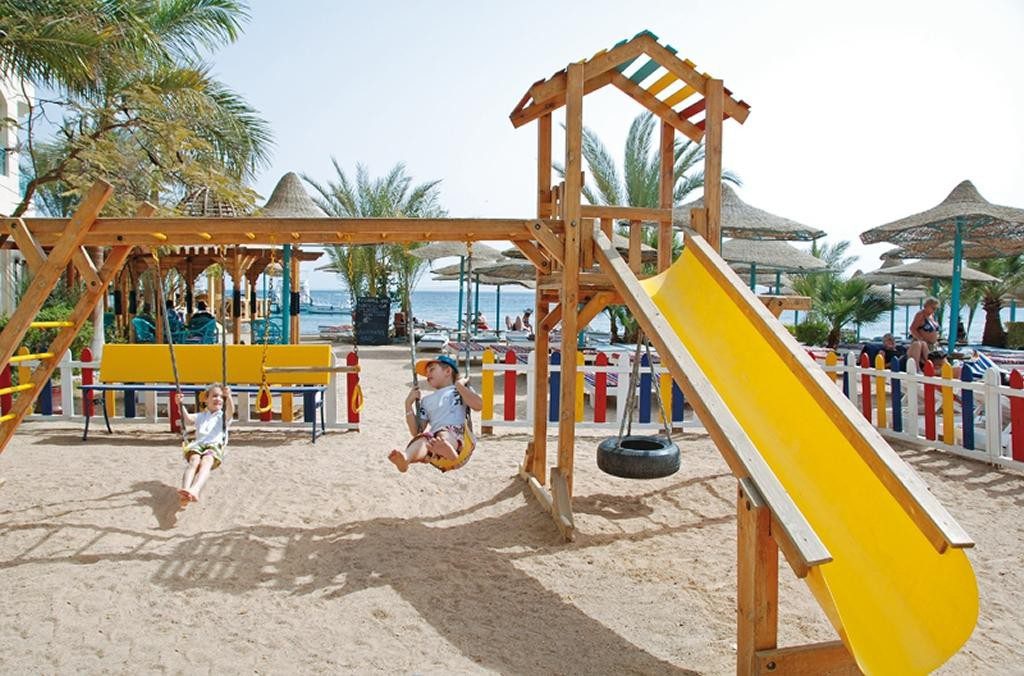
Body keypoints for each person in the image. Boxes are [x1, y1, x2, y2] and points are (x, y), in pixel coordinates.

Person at [387, 355, 483, 473]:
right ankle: (406, 458)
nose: (428, 375)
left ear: (448, 371)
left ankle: (449, 449)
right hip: (436, 445)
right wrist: (408, 404)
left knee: (443, 433)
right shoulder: (426, 401)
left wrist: (459, 386)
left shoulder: (460, 390)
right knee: (423, 439)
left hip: (461, 439)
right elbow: (416, 431)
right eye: (426, 373)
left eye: (431, 369)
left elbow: (479, 406)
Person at [177, 383, 233, 507]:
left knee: (206, 461)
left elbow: (230, 411)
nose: (218, 399)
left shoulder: (223, 416)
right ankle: (185, 490)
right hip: (198, 445)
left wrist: (228, 396)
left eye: (221, 397)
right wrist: (180, 404)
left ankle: (195, 489)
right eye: (214, 396)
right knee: (194, 461)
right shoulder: (201, 416)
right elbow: (187, 419)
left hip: (214, 446)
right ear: (206, 399)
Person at [907, 297, 941, 367]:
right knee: (929, 363)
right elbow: (913, 328)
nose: (934, 310)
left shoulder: (932, 316)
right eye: (933, 308)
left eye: (936, 308)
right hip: (923, 344)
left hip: (932, 345)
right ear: (927, 306)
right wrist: (921, 339)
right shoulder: (921, 315)